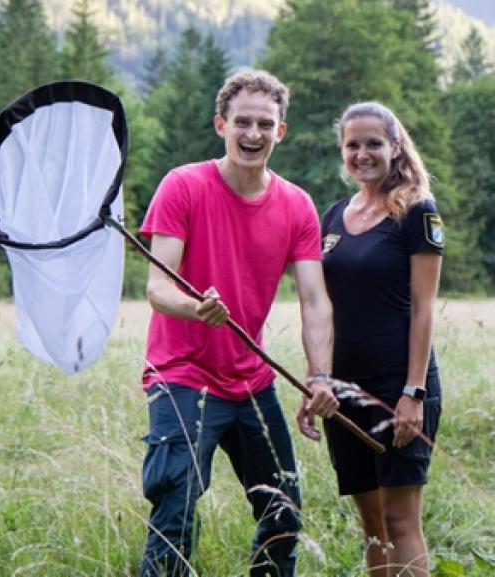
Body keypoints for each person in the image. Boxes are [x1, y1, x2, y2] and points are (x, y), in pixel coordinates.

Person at [138, 69, 340, 577]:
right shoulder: (183, 185)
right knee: (175, 505)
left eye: (265, 124)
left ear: (281, 131)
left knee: (284, 510)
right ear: (220, 124)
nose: (253, 134)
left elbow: (314, 300)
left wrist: (319, 376)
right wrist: (195, 308)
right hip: (182, 374)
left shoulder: (296, 205)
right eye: (242, 122)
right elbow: (157, 288)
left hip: (251, 381)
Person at [297, 102, 444, 577]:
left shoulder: (417, 211)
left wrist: (413, 392)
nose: (362, 153)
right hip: (344, 392)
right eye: (352, 145)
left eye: (373, 143)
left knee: (400, 519)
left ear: (395, 147)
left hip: (398, 387)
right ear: (342, 151)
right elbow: (320, 306)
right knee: (372, 524)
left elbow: (424, 311)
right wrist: (317, 380)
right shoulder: (334, 217)